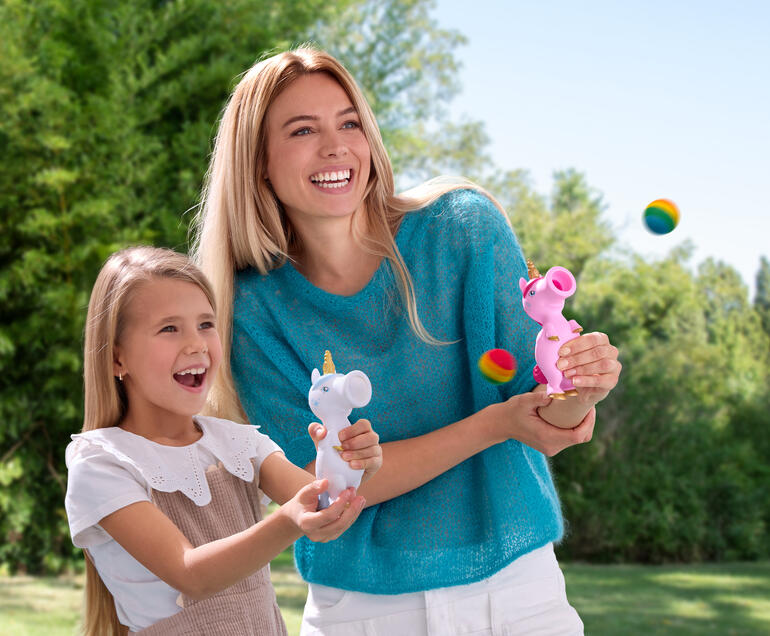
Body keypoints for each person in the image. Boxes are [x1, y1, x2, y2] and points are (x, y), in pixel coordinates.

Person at [192, 47, 621, 635]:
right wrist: (495, 424)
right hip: (361, 610)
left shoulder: (462, 230)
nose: (336, 146)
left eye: (349, 123)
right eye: (302, 130)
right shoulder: (249, 311)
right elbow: (330, 489)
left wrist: (584, 386)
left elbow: (544, 416)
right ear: (259, 162)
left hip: (516, 596)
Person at [64, 246, 382, 635]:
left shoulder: (238, 443)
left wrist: (352, 464)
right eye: (169, 328)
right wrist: (287, 520)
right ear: (117, 360)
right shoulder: (102, 463)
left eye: (205, 324)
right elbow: (190, 574)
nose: (197, 344)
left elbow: (321, 502)